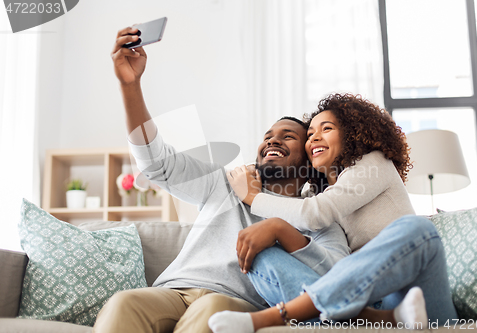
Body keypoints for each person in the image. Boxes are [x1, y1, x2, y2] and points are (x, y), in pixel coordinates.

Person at [95, 26, 351, 333]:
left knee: (211, 309)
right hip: (173, 291)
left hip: (235, 301)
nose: (272, 141)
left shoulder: (317, 215)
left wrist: (283, 231)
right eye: (267, 136)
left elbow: (341, 277)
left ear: (310, 160)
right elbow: (156, 163)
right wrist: (130, 85)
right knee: (123, 303)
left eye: (288, 137)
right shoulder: (224, 182)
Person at [208, 93, 458, 332]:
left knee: (418, 230)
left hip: (413, 298)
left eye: (326, 129)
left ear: (352, 135)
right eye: (310, 134)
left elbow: (314, 213)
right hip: (366, 302)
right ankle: (375, 319)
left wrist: (251, 196)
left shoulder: (374, 164)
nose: (314, 138)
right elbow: (307, 222)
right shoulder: (322, 194)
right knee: (261, 256)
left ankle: (274, 316)